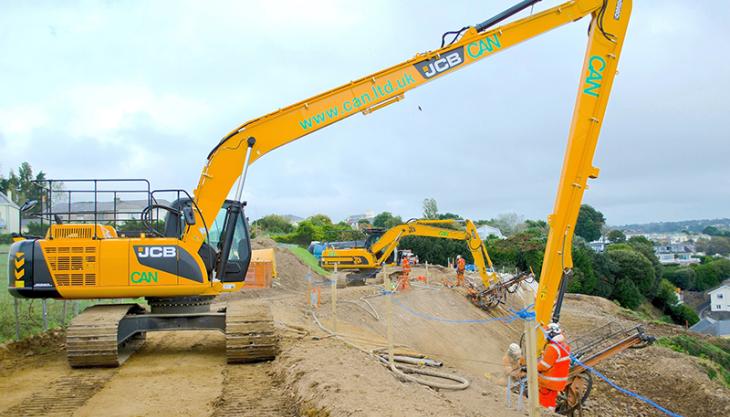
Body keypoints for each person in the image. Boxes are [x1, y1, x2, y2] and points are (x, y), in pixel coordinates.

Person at [537, 322, 571, 411]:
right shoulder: (564, 346)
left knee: (544, 403)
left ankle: (545, 414)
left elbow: (544, 366)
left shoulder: (552, 348)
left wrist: (533, 367)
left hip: (549, 382)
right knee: (551, 401)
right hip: (558, 381)